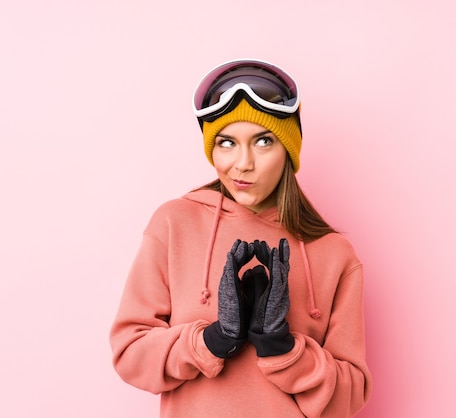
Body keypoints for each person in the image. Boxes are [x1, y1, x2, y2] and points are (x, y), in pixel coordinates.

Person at [109, 59, 373, 418]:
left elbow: (350, 396)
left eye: (263, 141)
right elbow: (129, 353)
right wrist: (212, 339)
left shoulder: (334, 254)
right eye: (227, 142)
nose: (242, 163)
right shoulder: (175, 223)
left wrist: (282, 347)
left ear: (288, 149)